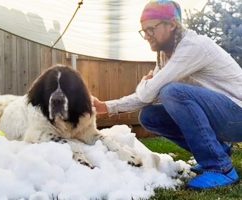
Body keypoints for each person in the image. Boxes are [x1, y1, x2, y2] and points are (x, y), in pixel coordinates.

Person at [92, 0, 242, 190]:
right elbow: (146, 97)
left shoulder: (192, 46)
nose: (146, 36)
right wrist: (106, 107)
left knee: (172, 92)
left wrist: (145, 83)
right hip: (223, 116)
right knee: (149, 116)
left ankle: (221, 168)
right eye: (143, 31)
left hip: (237, 115)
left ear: (171, 24)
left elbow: (148, 92)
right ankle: (217, 151)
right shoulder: (166, 54)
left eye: (150, 29)